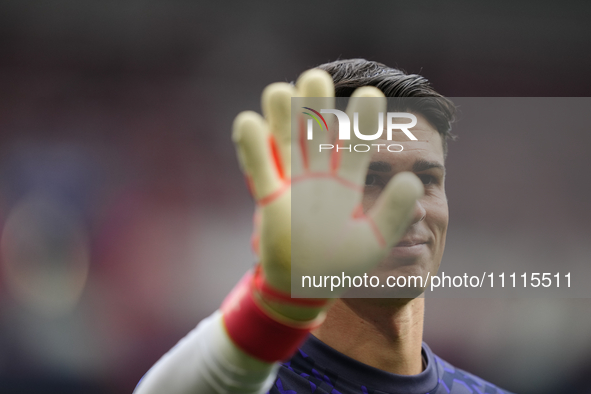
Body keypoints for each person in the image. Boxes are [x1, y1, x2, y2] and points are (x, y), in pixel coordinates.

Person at [133, 59, 514, 394]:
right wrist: (276, 304)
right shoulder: (245, 379)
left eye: (428, 179)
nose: (411, 209)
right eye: (369, 179)